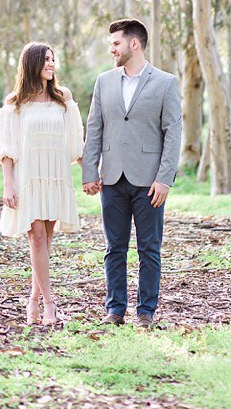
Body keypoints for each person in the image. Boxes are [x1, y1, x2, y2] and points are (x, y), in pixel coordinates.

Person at [81, 18, 183, 330]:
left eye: (116, 43)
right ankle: (115, 311)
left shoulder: (166, 83)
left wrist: (164, 178)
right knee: (115, 248)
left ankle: (145, 313)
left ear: (133, 44)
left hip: (149, 182)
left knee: (149, 249)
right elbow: (94, 128)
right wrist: (89, 171)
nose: (111, 49)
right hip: (111, 179)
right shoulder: (104, 82)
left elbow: (173, 133)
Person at [0, 42, 85, 327]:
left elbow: (75, 140)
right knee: (36, 238)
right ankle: (49, 304)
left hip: (55, 175)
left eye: (53, 59)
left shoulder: (62, 97)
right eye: (46, 59)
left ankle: (32, 299)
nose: (51, 64)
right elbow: (7, 147)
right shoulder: (15, 102)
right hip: (28, 176)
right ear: (32, 63)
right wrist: (8, 186)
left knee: (46, 241)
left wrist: (91, 173)